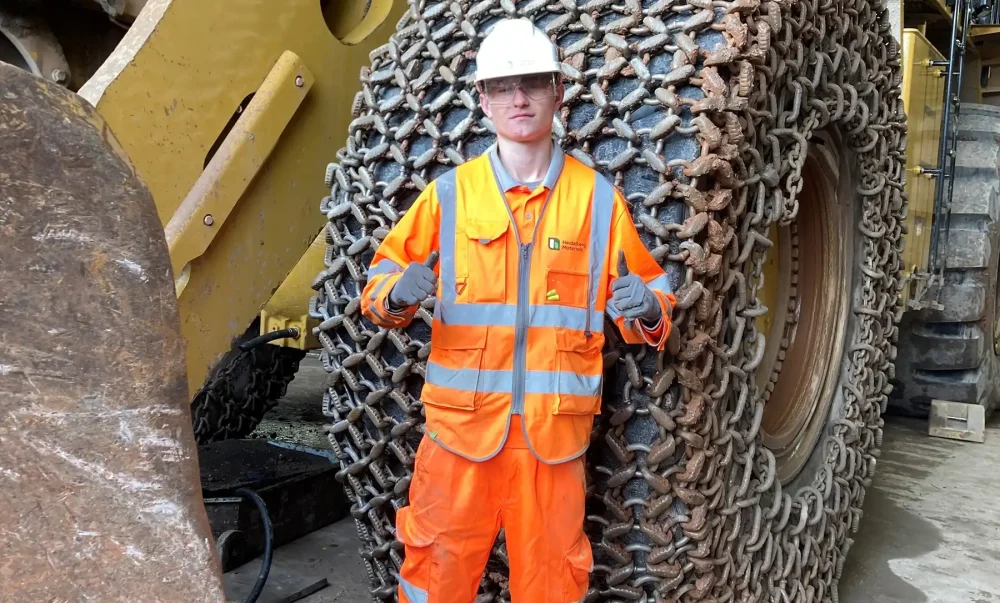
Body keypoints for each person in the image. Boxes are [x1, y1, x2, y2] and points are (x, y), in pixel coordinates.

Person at [361, 17, 675, 603]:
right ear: (484, 100)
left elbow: (650, 308)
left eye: (532, 83)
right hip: (460, 440)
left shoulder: (597, 202)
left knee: (553, 584)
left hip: (551, 446)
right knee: (435, 579)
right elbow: (378, 284)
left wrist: (649, 309)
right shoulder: (449, 197)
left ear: (558, 91)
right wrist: (395, 295)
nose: (520, 98)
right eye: (504, 86)